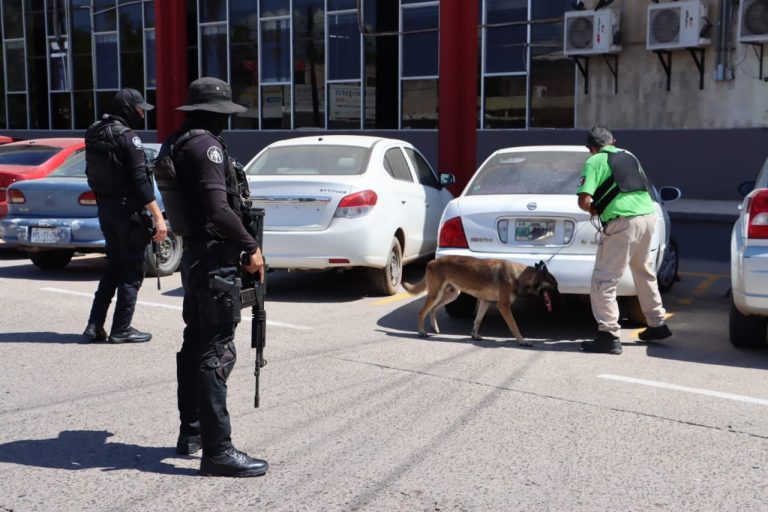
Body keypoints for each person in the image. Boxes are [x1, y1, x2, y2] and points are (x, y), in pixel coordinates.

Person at [162, 77, 268, 477]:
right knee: (217, 350)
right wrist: (250, 247)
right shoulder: (206, 147)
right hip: (214, 261)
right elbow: (218, 209)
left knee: (195, 345)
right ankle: (218, 450)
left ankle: (191, 433)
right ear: (218, 113)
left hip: (196, 258)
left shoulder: (179, 140)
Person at [576, 125, 672, 355]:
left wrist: (593, 211)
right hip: (648, 218)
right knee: (643, 271)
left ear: (591, 148)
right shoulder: (629, 156)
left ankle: (608, 335)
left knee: (604, 279)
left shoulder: (595, 161)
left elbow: (584, 199)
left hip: (622, 224)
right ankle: (657, 324)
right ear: (613, 141)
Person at [83, 89, 168, 344]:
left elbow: (90, 173)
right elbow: (140, 182)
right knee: (132, 270)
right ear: (129, 109)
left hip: (106, 209)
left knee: (114, 266)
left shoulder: (94, 132)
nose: (143, 113)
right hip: (127, 213)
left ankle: (94, 325)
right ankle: (122, 328)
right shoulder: (128, 137)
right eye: (140, 109)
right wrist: (158, 217)